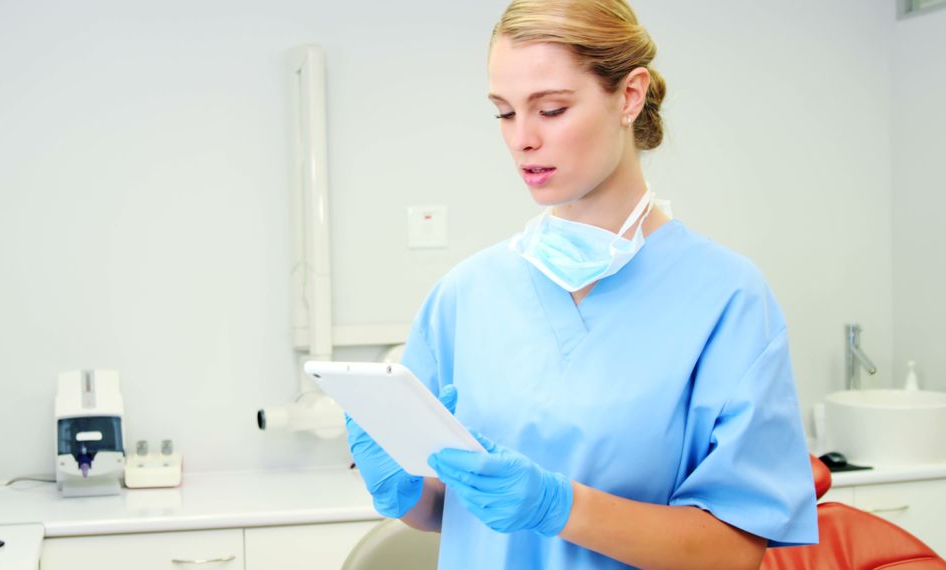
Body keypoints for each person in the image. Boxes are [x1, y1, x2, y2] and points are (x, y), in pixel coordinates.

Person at [346, 0, 818, 568]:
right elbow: (447, 510)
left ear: (630, 96)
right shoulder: (464, 295)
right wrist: (404, 485)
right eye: (503, 112)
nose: (521, 139)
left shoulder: (728, 299)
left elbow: (732, 551)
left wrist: (558, 506)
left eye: (550, 109)